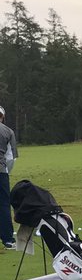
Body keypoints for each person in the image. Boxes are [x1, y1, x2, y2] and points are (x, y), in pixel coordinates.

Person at [0, 104, 18, 248]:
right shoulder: (8, 131)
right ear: (3, 117)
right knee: (4, 205)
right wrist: (6, 171)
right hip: (1, 171)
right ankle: (7, 239)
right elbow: (11, 157)